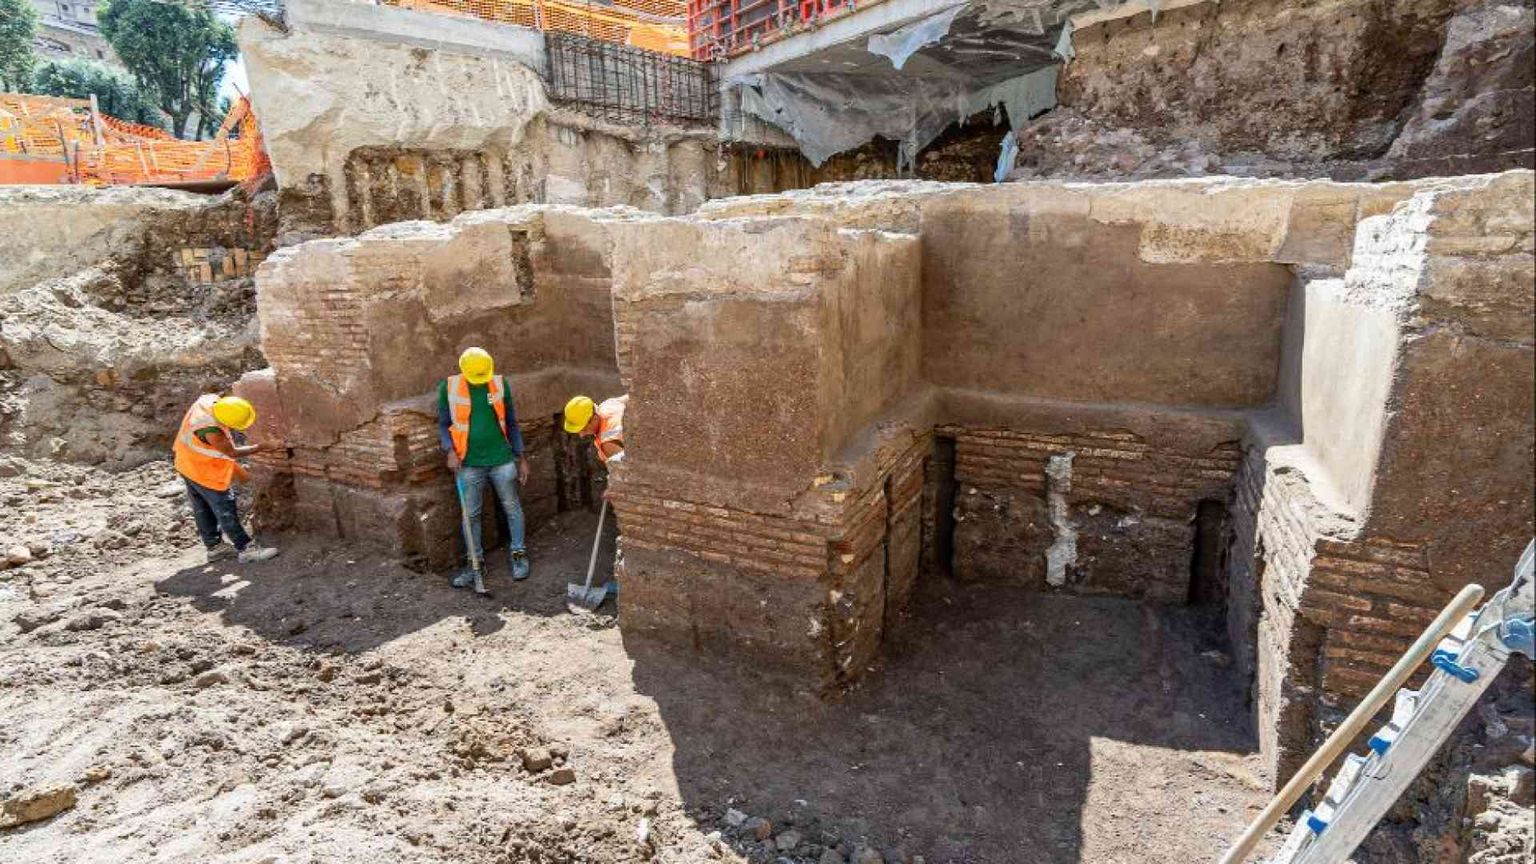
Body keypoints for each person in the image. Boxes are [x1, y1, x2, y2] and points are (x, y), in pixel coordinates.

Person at [439, 347, 531, 587]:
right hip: (468, 463)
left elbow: (511, 422)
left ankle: (519, 555)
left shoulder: (499, 385)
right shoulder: (448, 388)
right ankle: (475, 565)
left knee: (512, 507)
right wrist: (450, 450)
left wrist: (521, 457)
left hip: (502, 459)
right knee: (471, 516)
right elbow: (443, 424)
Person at [171, 394, 279, 564]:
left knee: (202, 506)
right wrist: (263, 447)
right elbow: (233, 452)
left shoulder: (208, 400)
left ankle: (214, 548)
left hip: (186, 461)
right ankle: (245, 549)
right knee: (224, 506)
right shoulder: (212, 431)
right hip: (202, 469)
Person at [562, 394, 627, 466]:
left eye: (584, 429)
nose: (581, 435)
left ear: (594, 418)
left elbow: (629, 472)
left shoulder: (608, 444)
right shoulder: (608, 405)